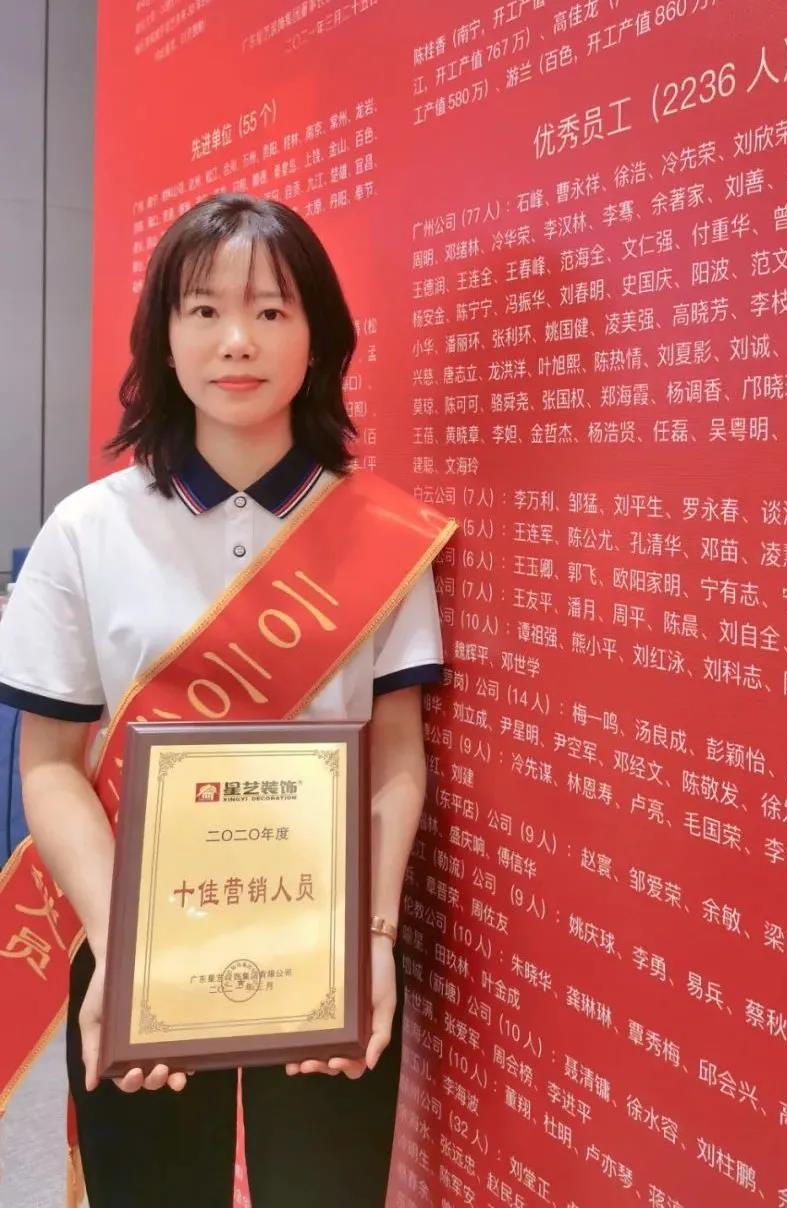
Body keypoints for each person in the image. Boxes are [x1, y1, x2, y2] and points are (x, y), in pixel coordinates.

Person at [0, 192, 454, 1206]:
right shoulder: (87, 531)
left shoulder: (382, 533)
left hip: (326, 942)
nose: (236, 340)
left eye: (271, 310)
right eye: (203, 310)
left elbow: (396, 756)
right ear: (163, 337)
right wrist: (124, 952)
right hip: (135, 937)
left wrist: (372, 939)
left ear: (318, 337)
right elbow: (50, 765)